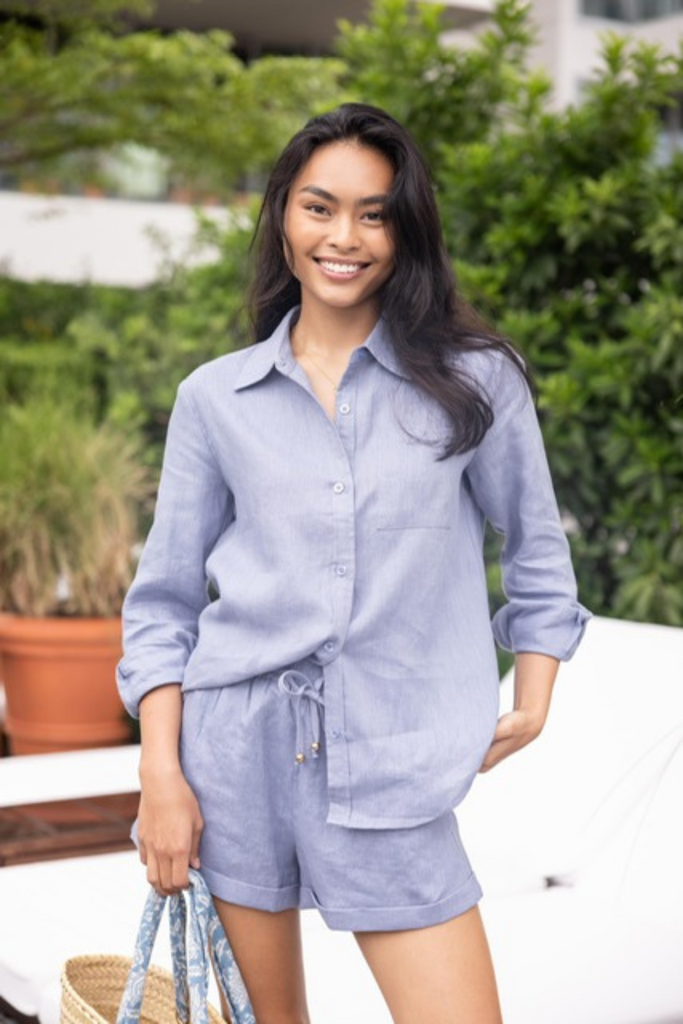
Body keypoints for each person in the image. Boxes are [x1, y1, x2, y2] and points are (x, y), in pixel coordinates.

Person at [117, 103, 590, 1024]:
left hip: (392, 757)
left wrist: (534, 694)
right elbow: (164, 604)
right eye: (319, 207)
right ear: (283, 220)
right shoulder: (215, 399)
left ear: (405, 229)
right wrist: (161, 777)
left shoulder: (478, 379)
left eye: (374, 213)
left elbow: (535, 544)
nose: (344, 237)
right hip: (232, 759)